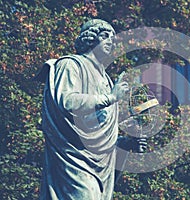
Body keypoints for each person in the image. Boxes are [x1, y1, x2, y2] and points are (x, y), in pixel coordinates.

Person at [39, 19, 130, 200]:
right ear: (90, 39)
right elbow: (67, 102)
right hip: (74, 157)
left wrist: (124, 144)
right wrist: (110, 98)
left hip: (99, 165)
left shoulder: (107, 81)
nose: (111, 41)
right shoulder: (70, 65)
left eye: (113, 38)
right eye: (105, 36)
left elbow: (99, 130)